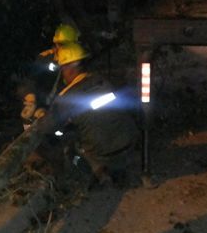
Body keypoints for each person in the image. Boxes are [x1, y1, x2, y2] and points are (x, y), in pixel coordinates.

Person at [41, 42, 138, 187]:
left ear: (68, 68)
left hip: (103, 155)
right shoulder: (102, 80)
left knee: (69, 147)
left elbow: (47, 127)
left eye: (62, 68)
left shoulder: (67, 97)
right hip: (128, 146)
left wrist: (41, 115)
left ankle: (97, 173)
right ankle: (119, 169)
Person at [20, 23, 82, 128]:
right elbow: (29, 81)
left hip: (61, 107)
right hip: (40, 106)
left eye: (67, 45)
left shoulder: (76, 60)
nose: (63, 48)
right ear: (56, 44)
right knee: (30, 120)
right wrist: (31, 100)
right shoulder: (45, 59)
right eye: (60, 44)